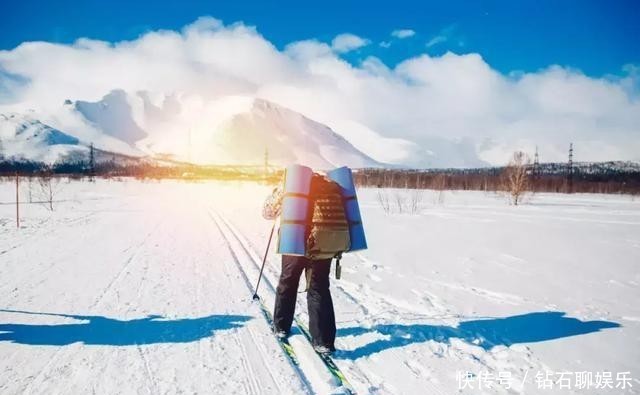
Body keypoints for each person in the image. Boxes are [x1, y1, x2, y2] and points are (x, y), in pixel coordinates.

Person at [262, 185, 337, 354]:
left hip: (294, 241)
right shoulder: (330, 186)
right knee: (319, 288)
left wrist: (275, 193)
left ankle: (281, 326)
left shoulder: (290, 183)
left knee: (288, 283)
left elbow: (268, 213)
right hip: (323, 244)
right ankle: (323, 341)